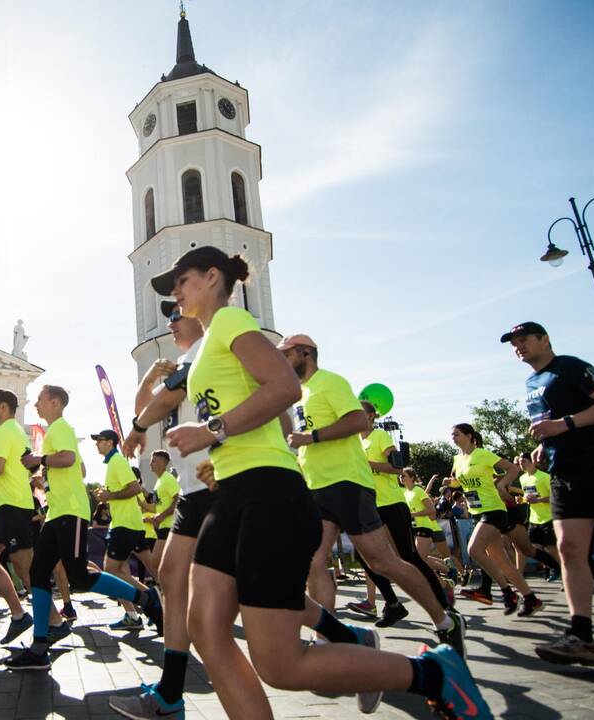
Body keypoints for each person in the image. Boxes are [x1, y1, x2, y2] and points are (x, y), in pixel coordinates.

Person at [144, 246, 488, 719]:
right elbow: (281, 418)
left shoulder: (231, 322)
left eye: (181, 282)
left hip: (268, 495)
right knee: (205, 629)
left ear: (210, 276)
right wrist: (215, 443)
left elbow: (284, 386)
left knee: (280, 665)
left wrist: (212, 431)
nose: (176, 295)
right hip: (231, 492)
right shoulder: (207, 345)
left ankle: (433, 674)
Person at [280, 335, 463, 655]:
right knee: (313, 560)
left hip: (348, 484)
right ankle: (327, 637)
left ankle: (445, 622)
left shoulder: (330, 381)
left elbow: (354, 420)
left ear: (305, 353)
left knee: (384, 561)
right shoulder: (300, 395)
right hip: (317, 487)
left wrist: (310, 437)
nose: (281, 360)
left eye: (286, 354)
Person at [504, 321, 594, 665]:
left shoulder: (571, 367)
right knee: (569, 548)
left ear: (545, 339)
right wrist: (545, 445)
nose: (518, 346)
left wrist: (565, 425)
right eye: (513, 343)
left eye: (524, 339)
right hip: (564, 473)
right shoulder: (531, 382)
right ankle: (582, 636)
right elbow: (550, 423)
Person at [3, 385, 161, 671]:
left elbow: (71, 460)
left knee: (78, 576)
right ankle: (40, 646)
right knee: (39, 572)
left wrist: (39, 460)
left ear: (54, 402)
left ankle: (143, 598)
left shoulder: (60, 426)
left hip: (71, 513)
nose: (36, 405)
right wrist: (41, 475)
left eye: (39, 400)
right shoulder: (53, 431)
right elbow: (70, 469)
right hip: (57, 513)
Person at [113, 298, 213, 718]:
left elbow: (149, 415)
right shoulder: (180, 363)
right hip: (194, 488)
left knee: (255, 592)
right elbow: (144, 409)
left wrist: (137, 430)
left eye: (176, 315)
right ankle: (171, 693)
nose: (170, 322)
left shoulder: (208, 354)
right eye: (168, 316)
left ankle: (345, 636)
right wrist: (152, 376)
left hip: (217, 483)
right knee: (172, 580)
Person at [0, 389, 63, 645]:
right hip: (7, 507)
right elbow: (24, 466)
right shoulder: (18, 431)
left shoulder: (3, 430)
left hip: (14, 507)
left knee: (26, 568)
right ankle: (19, 615)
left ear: (4, 407)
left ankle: (56, 621)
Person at [344, 401, 453, 627]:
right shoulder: (355, 442)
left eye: (361, 413)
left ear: (372, 416)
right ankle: (393, 604)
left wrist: (368, 463)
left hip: (392, 503)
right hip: (369, 506)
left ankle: (443, 603)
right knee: (364, 557)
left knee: (408, 555)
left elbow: (397, 468)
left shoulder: (380, 436)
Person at [449, 423, 542, 617]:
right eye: (452, 435)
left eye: (457, 434)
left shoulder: (483, 454)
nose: (453, 437)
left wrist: (502, 485)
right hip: (476, 511)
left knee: (474, 550)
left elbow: (512, 469)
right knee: (501, 560)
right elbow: (459, 480)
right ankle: (530, 598)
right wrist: (453, 483)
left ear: (469, 435)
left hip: (493, 510)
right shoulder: (457, 459)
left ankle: (503, 592)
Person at [92, 430, 160, 630]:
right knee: (130, 570)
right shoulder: (114, 463)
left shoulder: (117, 462)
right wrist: (107, 495)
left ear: (111, 442)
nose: (97, 444)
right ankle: (144, 607)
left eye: (100, 440)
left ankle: (148, 600)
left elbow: (135, 488)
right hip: (132, 525)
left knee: (112, 572)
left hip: (125, 526)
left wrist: (109, 496)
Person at [401, 469, 452, 577]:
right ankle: (448, 570)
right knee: (419, 559)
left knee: (419, 560)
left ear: (412, 478)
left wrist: (413, 515)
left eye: (403, 475)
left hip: (426, 527)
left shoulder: (418, 491)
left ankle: (448, 571)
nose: (401, 477)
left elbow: (432, 510)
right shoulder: (405, 492)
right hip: (416, 528)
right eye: (400, 476)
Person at [149, 450, 180, 569]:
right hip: (162, 526)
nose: (150, 464)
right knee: (166, 564)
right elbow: (159, 505)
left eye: (153, 461)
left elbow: (179, 499)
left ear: (163, 463)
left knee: (155, 562)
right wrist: (155, 518)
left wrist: (162, 516)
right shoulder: (159, 481)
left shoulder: (168, 479)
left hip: (169, 525)